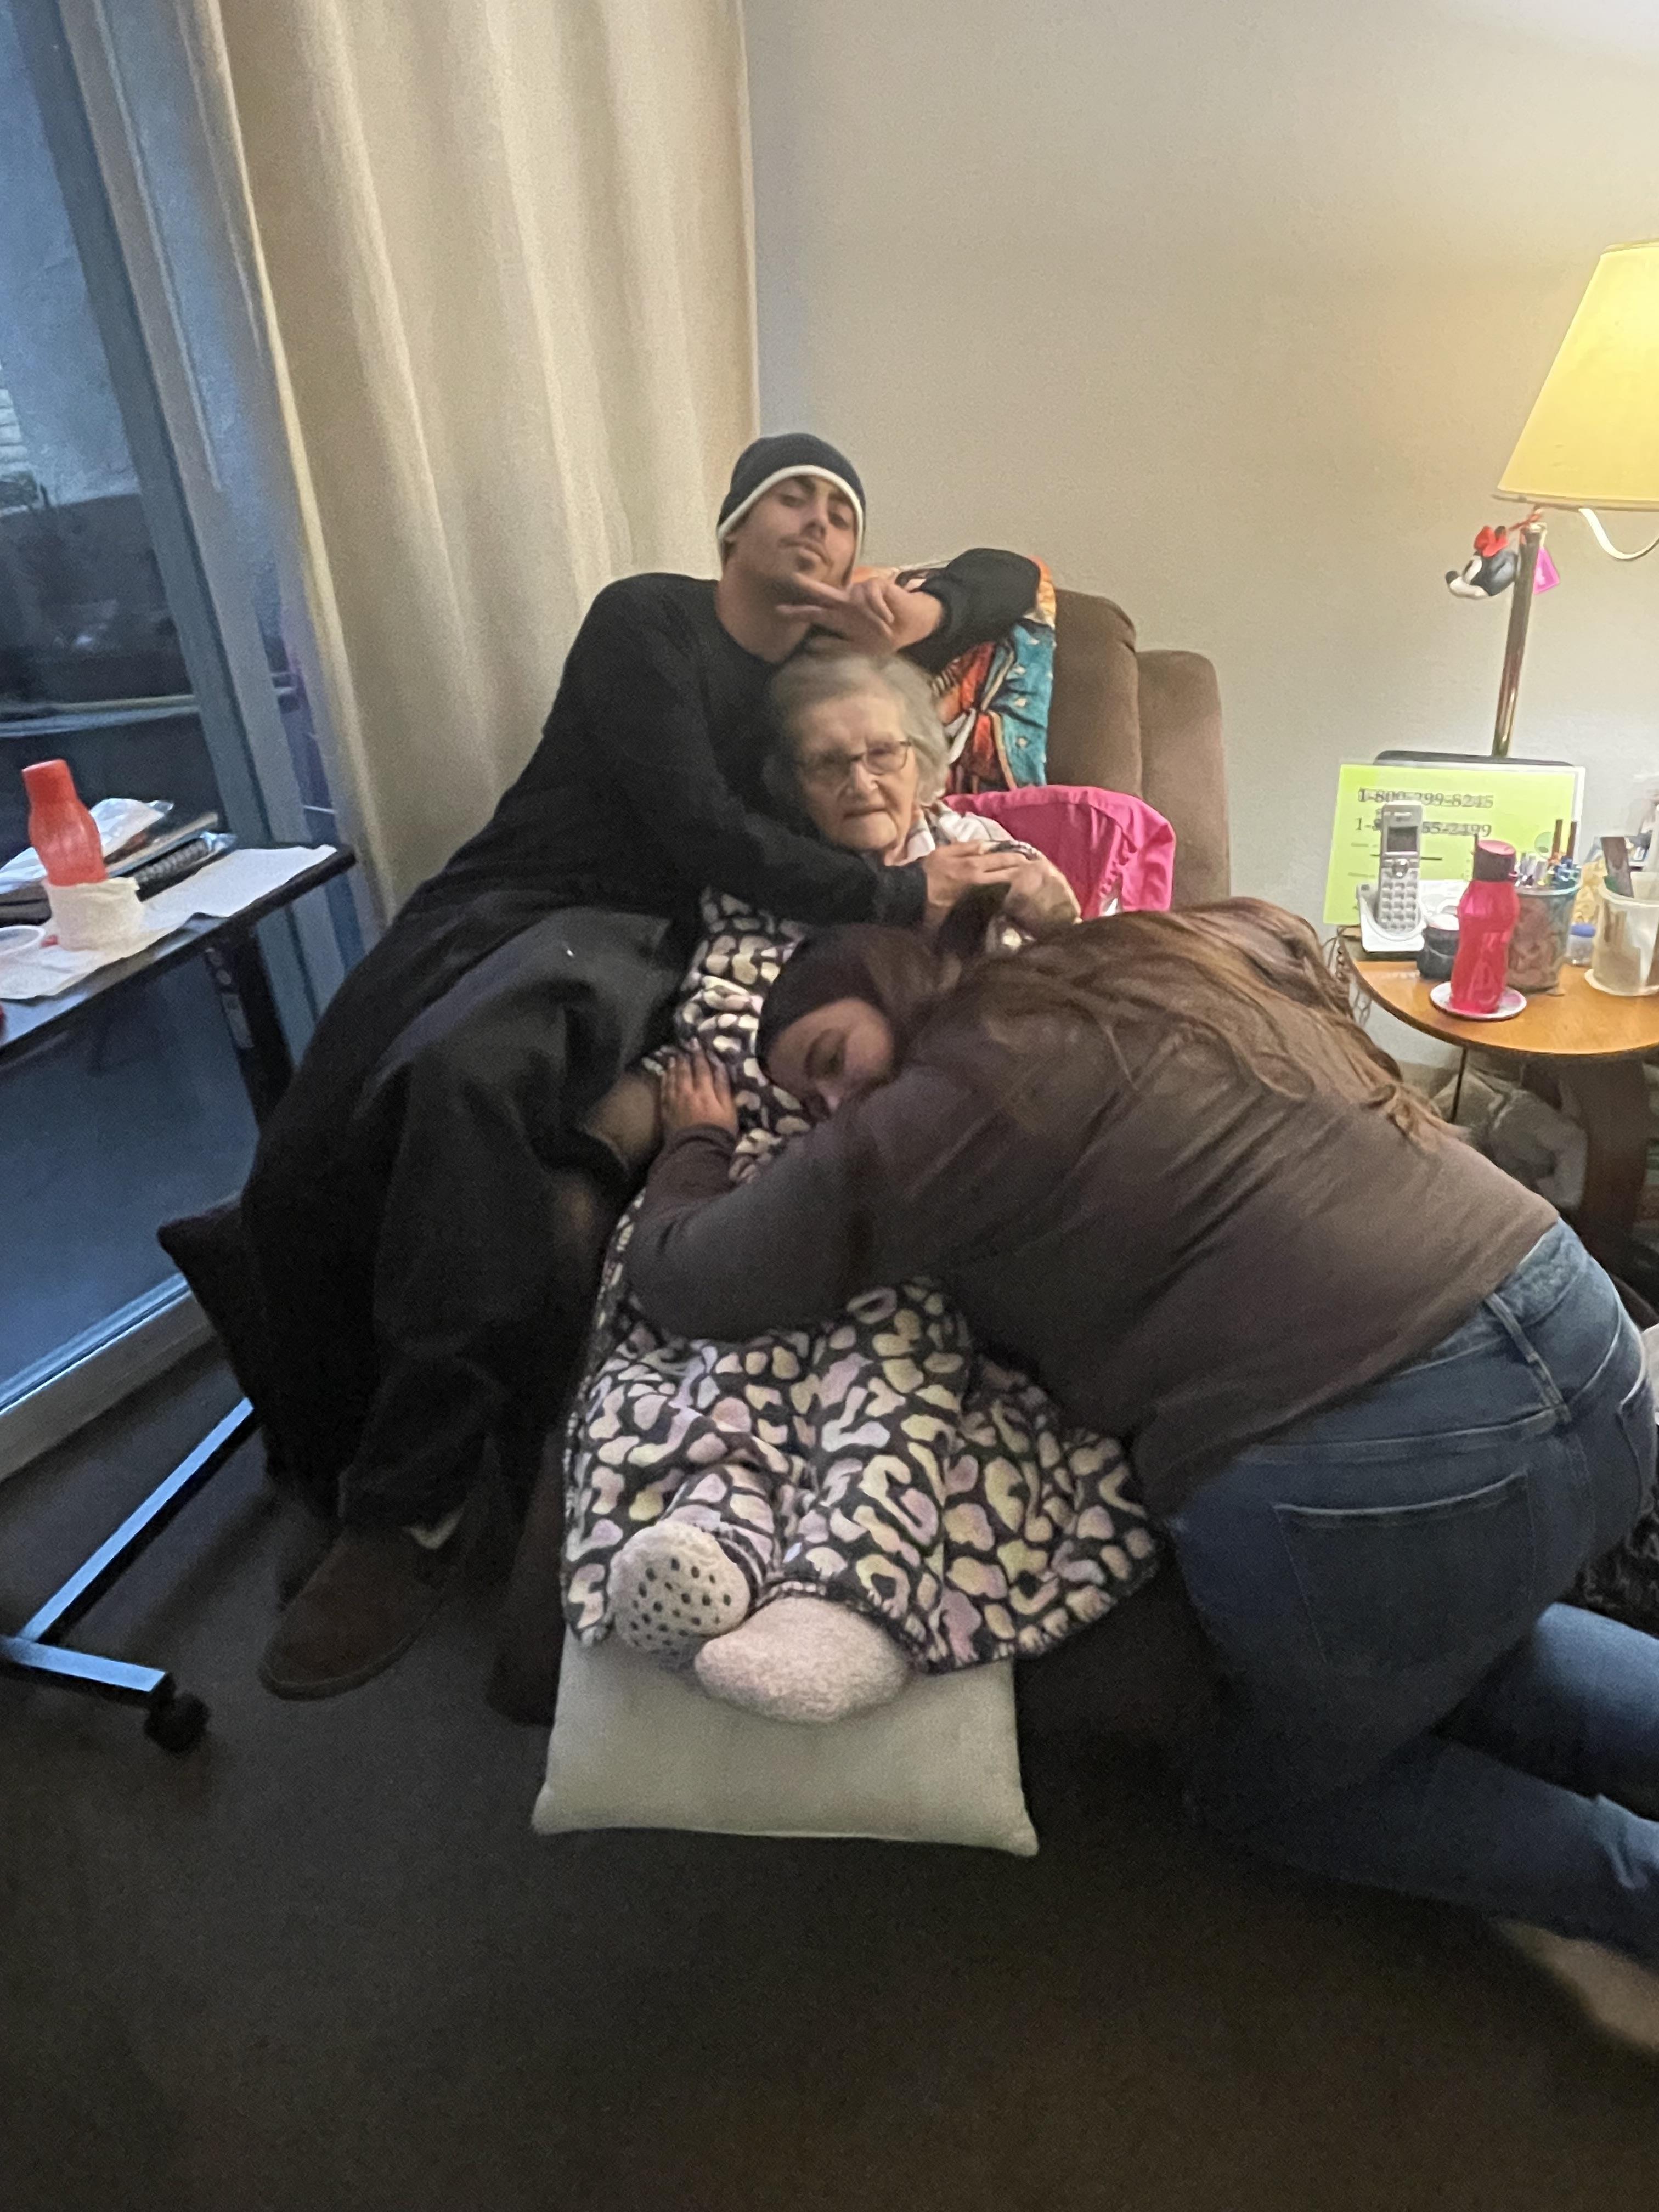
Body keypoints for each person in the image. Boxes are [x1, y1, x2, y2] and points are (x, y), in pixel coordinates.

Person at [623, 906, 1659, 1985]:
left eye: (833, 1060)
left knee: (1269, 1792)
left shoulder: (936, 1110)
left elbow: (691, 1277)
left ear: (896, 985)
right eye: (811, 1103)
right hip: (1592, 1349)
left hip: (1388, 1467)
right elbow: (1285, 935)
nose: (837, 1107)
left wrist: (695, 1143)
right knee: (1472, 1649)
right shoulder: (1140, 962)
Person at [249, 431, 1039, 1700]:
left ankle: (411, 1503)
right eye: (791, 498)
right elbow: (699, 823)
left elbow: (1016, 576)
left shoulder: (828, 671)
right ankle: (316, 1455)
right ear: (731, 530)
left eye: (842, 510)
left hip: (629, 928)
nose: (819, 523)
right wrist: (899, 892)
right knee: (304, 1138)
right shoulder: (648, 622)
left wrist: (930, 606)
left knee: (465, 1084)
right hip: (502, 891)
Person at [562, 651, 1146, 1724]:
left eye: (883, 753)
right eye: (829, 764)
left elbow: (1085, 1010)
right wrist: (720, 1144)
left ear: (925, 761)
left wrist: (1056, 916)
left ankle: (850, 1592)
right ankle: (713, 1540)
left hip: (942, 1169)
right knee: (733, 1337)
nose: (863, 780)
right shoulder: (759, 881)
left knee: (896, 1328)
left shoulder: (994, 864)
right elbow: (724, 1038)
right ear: (792, 785)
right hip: (773, 1149)